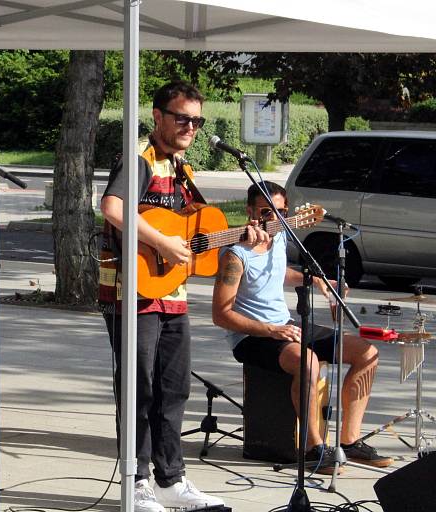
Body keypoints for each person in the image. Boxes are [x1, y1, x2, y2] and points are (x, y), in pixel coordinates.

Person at [99, 81, 247, 512]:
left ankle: (171, 479)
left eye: (196, 121)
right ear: (158, 116)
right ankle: (137, 481)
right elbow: (112, 207)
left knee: (173, 388)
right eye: (182, 118)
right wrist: (162, 245)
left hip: (172, 294)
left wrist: (244, 236)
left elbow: (193, 235)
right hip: (133, 291)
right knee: (139, 389)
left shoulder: (183, 169)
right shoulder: (139, 159)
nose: (190, 127)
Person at [211, 180, 393, 475]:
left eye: (280, 212)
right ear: (249, 211)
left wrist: (320, 282)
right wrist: (271, 330)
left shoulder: (279, 238)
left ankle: (349, 441)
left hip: (284, 325)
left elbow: (277, 273)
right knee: (308, 363)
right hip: (251, 336)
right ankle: (313, 448)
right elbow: (221, 315)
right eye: (266, 213)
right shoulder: (235, 254)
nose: (274, 219)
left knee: (367, 352)